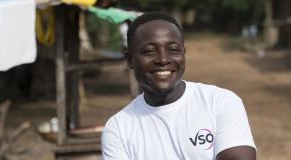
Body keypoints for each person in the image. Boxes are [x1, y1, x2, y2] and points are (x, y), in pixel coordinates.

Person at [101, 12, 256, 160]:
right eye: (149, 51)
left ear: (183, 53)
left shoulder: (220, 103)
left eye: (173, 50)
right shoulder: (118, 129)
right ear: (129, 59)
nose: (163, 60)